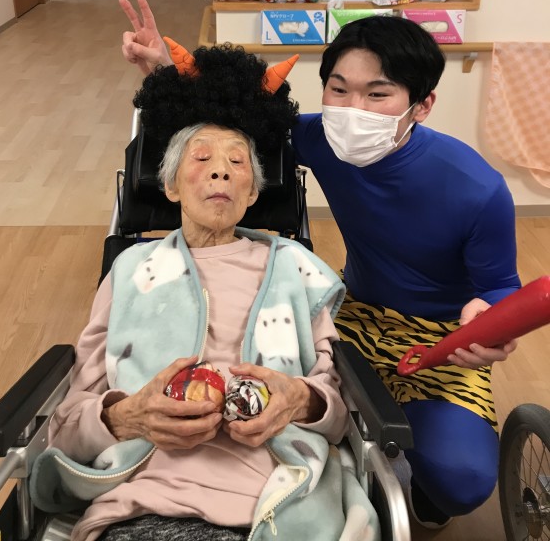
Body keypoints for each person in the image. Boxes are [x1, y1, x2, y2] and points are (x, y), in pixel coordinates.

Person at [119, 0, 521, 530]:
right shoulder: (318, 138)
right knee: (287, 411)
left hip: (442, 337)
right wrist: (161, 70)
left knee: (460, 478)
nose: (353, 109)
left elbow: (501, 287)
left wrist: (491, 322)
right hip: (353, 314)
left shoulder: (477, 188)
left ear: (422, 105)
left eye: (377, 94)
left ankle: (423, 497)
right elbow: (228, 122)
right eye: (339, 89)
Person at [30, 43, 379, 541]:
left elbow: (337, 408)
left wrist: (299, 400)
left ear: (253, 192)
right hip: (141, 499)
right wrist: (128, 417)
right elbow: (69, 421)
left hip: (279, 503)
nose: (221, 170)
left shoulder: (294, 271)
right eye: (201, 158)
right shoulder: (133, 271)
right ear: (170, 185)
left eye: (237, 161)